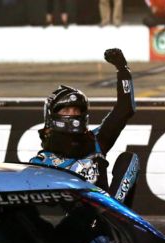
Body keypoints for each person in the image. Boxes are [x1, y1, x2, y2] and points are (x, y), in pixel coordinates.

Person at [29, 48, 138, 206]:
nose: (73, 115)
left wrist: (123, 70)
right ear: (51, 115)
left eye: (77, 110)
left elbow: (125, 109)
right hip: (70, 225)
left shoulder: (96, 140)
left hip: (105, 218)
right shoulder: (41, 162)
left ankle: (116, 213)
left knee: (130, 160)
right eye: (67, 110)